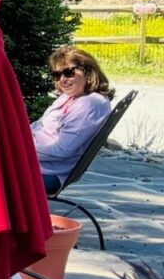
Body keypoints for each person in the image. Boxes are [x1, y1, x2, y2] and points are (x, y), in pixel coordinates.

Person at [32, 47, 113, 187]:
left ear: (88, 72)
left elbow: (61, 151)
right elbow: (39, 125)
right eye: (57, 75)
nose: (62, 80)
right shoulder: (69, 97)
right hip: (35, 162)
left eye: (68, 73)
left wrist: (19, 149)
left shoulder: (90, 105)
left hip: (46, 171)